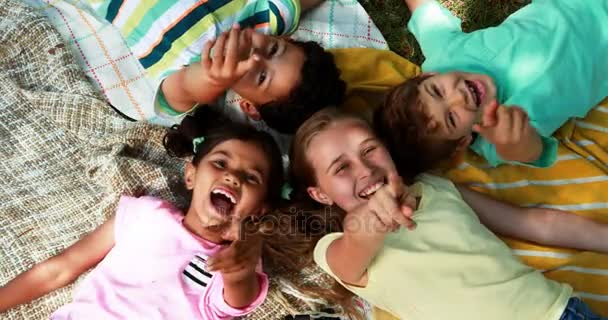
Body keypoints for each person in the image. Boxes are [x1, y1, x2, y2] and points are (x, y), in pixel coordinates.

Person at [276, 108, 608, 319]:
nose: (365, 169)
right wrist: (373, 217)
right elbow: (358, 240)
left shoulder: (436, 189)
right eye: (341, 167)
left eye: (369, 150)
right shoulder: (334, 249)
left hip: (556, 312)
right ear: (320, 194)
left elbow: (531, 222)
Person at [0, 108, 285, 319]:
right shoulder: (146, 214)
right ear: (191, 176)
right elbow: (61, 267)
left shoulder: (234, 261)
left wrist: (240, 269)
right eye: (221, 163)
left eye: (251, 178)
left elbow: (235, 300)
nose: (232, 177)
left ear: (259, 210)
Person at [373, 0, 608, 176]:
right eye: (452, 118)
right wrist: (514, 145)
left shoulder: (445, 55)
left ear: (429, 75)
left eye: (438, 91)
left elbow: (424, 11)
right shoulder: (497, 138)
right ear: (463, 141)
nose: (458, 97)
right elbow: (530, 150)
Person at [90, 0, 345, 133]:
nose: (255, 55)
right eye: (273, 49)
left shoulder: (201, 77)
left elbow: (182, 89)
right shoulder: (268, 17)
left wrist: (215, 78)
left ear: (249, 107)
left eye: (261, 77)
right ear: (285, 38)